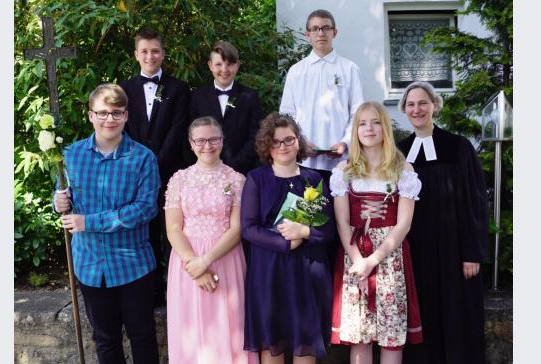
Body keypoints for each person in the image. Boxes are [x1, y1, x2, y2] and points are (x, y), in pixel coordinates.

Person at [53, 83, 169, 364]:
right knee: (104, 337)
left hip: (132, 263)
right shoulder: (71, 155)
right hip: (90, 264)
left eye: (116, 113)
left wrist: (90, 221)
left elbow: (145, 209)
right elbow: (65, 201)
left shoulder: (143, 158)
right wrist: (59, 202)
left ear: (126, 116)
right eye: (102, 112)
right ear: (91, 115)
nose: (109, 119)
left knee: (141, 333)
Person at [328, 102, 423, 364]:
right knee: (360, 336)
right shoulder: (344, 171)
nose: (368, 129)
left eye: (375, 123)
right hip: (355, 257)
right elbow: (342, 221)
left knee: (391, 335)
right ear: (355, 131)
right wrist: (357, 258)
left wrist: (374, 259)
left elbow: (403, 225)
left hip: (389, 258)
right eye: (362, 124)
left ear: (385, 128)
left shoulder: (403, 170)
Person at [164, 116, 262, 364]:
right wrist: (194, 263)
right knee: (195, 329)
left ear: (222, 140)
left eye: (213, 139)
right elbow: (174, 227)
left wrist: (207, 260)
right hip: (187, 264)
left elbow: (237, 228)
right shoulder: (179, 179)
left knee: (224, 328)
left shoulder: (236, 180)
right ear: (191, 144)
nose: (207, 146)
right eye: (200, 141)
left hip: (224, 259)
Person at [241, 112, 336, 364]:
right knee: (272, 339)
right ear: (267, 145)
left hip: (307, 269)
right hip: (268, 270)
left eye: (289, 140)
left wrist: (304, 231)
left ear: (299, 143)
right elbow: (248, 228)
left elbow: (327, 230)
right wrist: (285, 241)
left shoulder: (315, 179)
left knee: (304, 339)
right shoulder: (256, 178)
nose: (283, 146)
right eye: (277, 141)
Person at [395, 81, 489, 364]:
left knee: (451, 314)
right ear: (404, 110)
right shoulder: (399, 151)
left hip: (452, 249)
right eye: (410, 104)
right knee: (419, 315)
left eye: (423, 103)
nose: (417, 109)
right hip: (414, 248)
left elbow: (475, 202)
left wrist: (472, 252)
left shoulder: (458, 147)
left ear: (435, 105)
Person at [119, 28, 190, 307]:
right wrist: (141, 167)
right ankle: (149, 292)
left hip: (171, 171)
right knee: (144, 233)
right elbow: (122, 129)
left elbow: (179, 128)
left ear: (163, 53)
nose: (150, 56)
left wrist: (157, 164)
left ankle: (177, 290)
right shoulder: (124, 89)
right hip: (136, 175)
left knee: (172, 231)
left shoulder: (178, 89)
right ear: (136, 54)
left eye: (155, 51)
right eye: (144, 51)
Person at [279, 8, 364, 186]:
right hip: (303, 161)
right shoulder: (296, 71)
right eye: (315, 28)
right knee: (306, 213)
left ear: (335, 32)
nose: (321, 33)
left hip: (340, 162)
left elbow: (357, 113)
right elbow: (287, 114)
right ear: (307, 34)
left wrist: (345, 143)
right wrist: (300, 141)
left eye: (326, 28)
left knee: (340, 213)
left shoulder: (349, 69)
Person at [189, 41, 262, 175]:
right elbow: (192, 134)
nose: (224, 69)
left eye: (229, 64)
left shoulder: (250, 96)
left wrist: (235, 166)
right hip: (206, 170)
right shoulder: (197, 96)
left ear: (238, 65)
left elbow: (255, 135)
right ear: (210, 65)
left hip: (243, 170)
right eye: (219, 64)